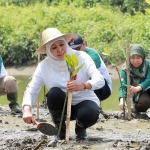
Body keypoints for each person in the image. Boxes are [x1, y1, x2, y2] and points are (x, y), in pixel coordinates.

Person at [22, 28, 105, 141]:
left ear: (66, 43)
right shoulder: (44, 66)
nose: (60, 50)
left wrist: (83, 85)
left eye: (62, 44)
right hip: (60, 105)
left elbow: (100, 79)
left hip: (84, 101)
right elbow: (31, 89)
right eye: (54, 47)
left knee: (90, 113)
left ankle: (80, 128)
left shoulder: (81, 57)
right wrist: (27, 110)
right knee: (54, 93)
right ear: (48, 51)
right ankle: (61, 131)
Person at [68, 34, 112, 116]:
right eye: (72, 50)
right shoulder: (69, 56)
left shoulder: (92, 55)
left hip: (104, 88)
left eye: (78, 49)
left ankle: (95, 107)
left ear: (84, 44)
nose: (75, 52)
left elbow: (90, 75)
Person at [119, 44, 150, 117]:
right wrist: (122, 100)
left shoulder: (148, 64)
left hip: (146, 88)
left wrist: (138, 88)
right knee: (143, 104)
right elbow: (123, 86)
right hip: (139, 93)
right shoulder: (126, 68)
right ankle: (135, 108)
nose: (135, 61)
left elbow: (149, 79)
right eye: (132, 58)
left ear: (143, 57)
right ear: (129, 58)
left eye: (138, 58)